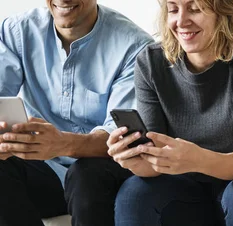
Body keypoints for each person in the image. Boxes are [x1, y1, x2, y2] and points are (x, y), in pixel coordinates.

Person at [106, 0, 233, 225]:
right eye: (173, 9)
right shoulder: (151, 62)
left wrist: (198, 160)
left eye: (195, 9)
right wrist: (131, 159)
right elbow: (154, 161)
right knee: (134, 194)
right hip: (183, 184)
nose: (181, 21)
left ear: (225, 10)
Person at [0, 0, 153, 225]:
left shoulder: (136, 47)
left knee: (85, 176)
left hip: (100, 172)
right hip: (42, 167)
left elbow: (122, 136)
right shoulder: (17, 31)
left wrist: (62, 143)